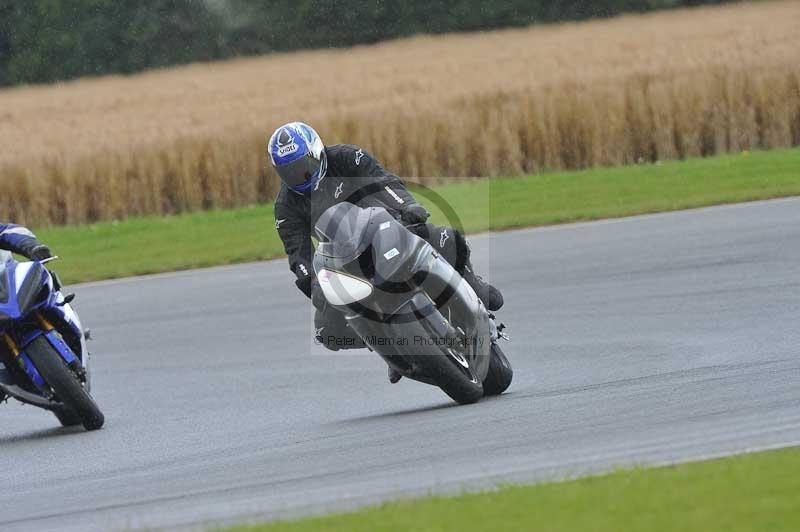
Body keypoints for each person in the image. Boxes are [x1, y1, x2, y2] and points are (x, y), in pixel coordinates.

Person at [270, 122, 503, 381]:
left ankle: (472, 284)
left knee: (441, 237)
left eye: (303, 167)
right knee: (327, 328)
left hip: (388, 231)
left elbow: (384, 181)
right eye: (289, 172)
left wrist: (408, 206)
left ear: (316, 151)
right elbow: (298, 256)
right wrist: (313, 283)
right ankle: (392, 347)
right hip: (347, 264)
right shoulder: (286, 207)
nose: (299, 176)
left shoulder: (347, 157)